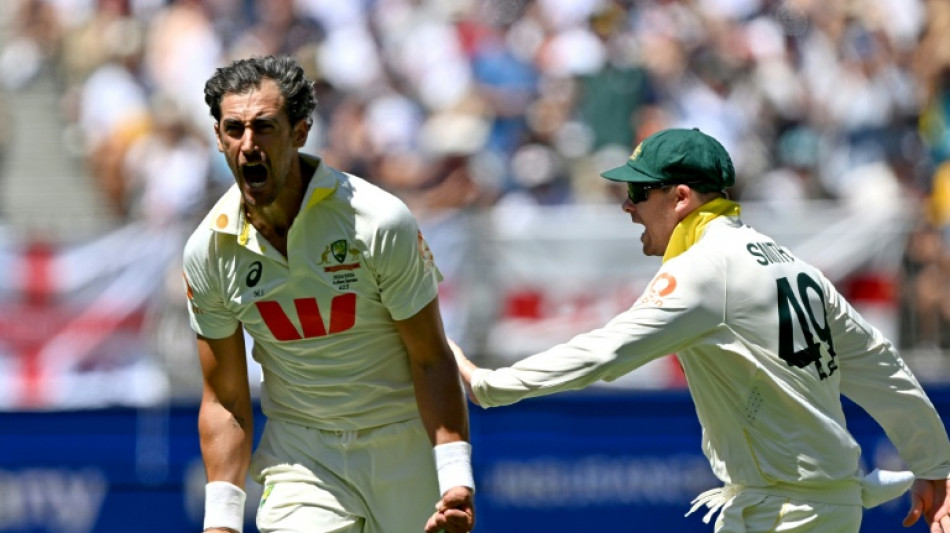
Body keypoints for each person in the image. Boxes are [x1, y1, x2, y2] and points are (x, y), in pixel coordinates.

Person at [451, 127, 950, 532]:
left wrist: (488, 385)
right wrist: (934, 463)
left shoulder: (705, 268)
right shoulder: (794, 265)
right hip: (815, 508)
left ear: (682, 197)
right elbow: (882, 366)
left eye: (639, 192)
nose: (627, 206)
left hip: (783, 514)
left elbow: (605, 351)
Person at [181, 55, 475, 533]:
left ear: (300, 132)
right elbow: (226, 399)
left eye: (265, 127)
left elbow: (430, 358)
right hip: (302, 458)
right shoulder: (208, 250)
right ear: (218, 137)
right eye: (234, 129)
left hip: (402, 445)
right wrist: (221, 523)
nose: (248, 144)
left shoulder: (378, 221)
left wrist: (455, 477)